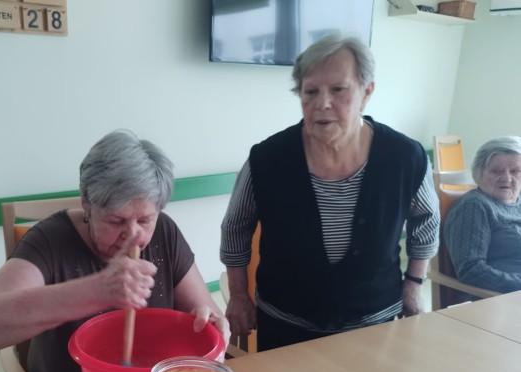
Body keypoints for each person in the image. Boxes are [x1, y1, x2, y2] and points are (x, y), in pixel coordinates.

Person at [0, 130, 230, 372]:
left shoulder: (164, 231)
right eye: (116, 221)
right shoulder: (49, 241)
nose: (133, 235)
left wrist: (212, 322)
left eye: (145, 220)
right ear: (86, 206)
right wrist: (98, 290)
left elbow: (206, 311)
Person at [220, 34, 440, 351]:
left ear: (366, 92)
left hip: (374, 326)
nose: (323, 103)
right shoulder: (267, 158)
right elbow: (235, 228)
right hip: (286, 326)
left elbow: (427, 221)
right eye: (311, 91)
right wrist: (239, 295)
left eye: (338, 90)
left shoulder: (405, 157)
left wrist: (414, 285)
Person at [444, 136, 521, 293]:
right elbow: (471, 270)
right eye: (496, 171)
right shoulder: (473, 206)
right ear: (479, 173)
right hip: (501, 299)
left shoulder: (518, 201)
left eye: (515, 171)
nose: (507, 178)